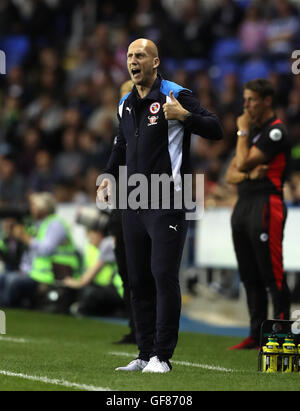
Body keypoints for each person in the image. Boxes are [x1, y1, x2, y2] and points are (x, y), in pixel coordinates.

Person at [98, 38, 222, 373]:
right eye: (129, 56)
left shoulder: (177, 95)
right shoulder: (125, 102)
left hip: (169, 199)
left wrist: (184, 116)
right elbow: (120, 146)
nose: (133, 60)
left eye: (140, 55)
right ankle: (144, 352)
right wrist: (109, 177)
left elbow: (216, 128)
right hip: (134, 200)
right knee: (137, 279)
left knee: (162, 275)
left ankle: (162, 357)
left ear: (155, 62)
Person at [225, 78, 291, 350]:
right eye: (245, 99)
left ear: (266, 101)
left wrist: (241, 134)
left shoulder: (275, 132)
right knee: (249, 274)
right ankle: (257, 333)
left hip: (267, 204)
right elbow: (231, 174)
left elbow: (239, 162)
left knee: (272, 274)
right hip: (243, 205)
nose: (246, 105)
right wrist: (248, 172)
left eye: (251, 100)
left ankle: (284, 334)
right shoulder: (253, 132)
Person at [0, 192, 80, 308]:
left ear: (44, 208)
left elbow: (46, 249)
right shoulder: (41, 224)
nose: (31, 209)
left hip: (52, 275)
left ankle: (9, 308)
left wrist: (25, 237)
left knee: (12, 281)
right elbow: (30, 253)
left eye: (34, 206)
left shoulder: (55, 224)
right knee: (4, 277)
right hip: (36, 273)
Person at [63, 210, 125, 317]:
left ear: (99, 233)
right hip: (123, 289)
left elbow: (86, 279)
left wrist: (69, 282)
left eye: (90, 233)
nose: (89, 238)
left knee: (89, 293)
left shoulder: (107, 244)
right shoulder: (112, 242)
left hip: (122, 290)